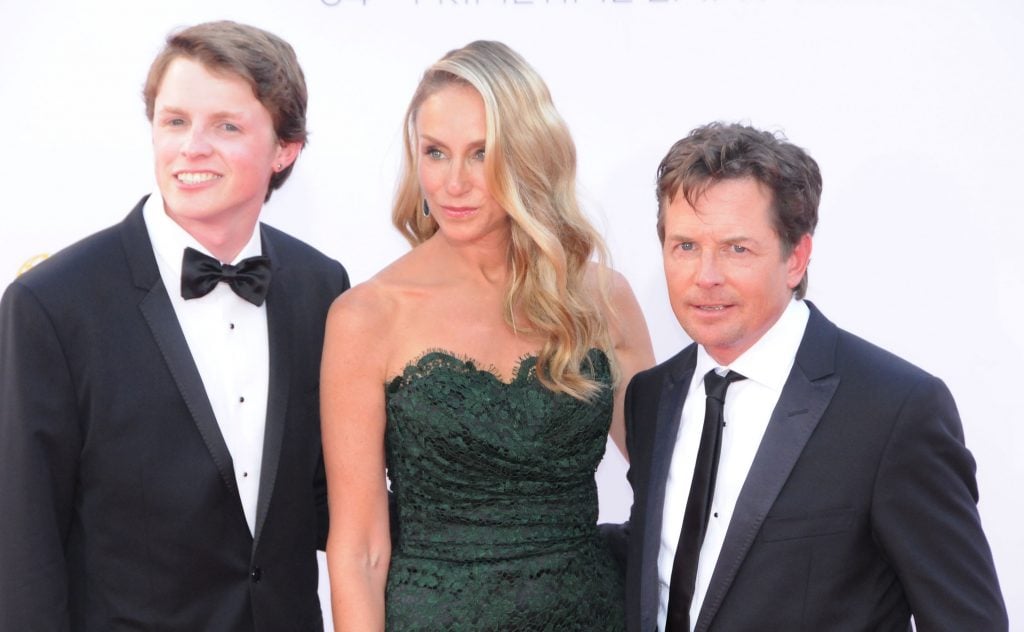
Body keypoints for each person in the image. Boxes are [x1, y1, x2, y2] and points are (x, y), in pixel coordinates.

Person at [0, 21, 349, 630]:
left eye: (227, 126)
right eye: (175, 121)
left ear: (285, 149)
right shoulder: (52, 305)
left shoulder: (320, 286)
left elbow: (325, 493)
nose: (191, 147)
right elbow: (24, 539)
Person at [321, 40, 655, 630]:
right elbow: (360, 552)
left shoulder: (601, 298)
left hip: (590, 614)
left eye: (481, 154)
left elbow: (671, 479)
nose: (453, 183)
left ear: (528, 154)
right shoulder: (368, 317)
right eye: (435, 153)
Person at [622, 122, 1008, 631]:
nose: (706, 275)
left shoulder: (892, 411)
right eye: (685, 246)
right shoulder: (651, 398)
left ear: (796, 258)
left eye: (737, 248)